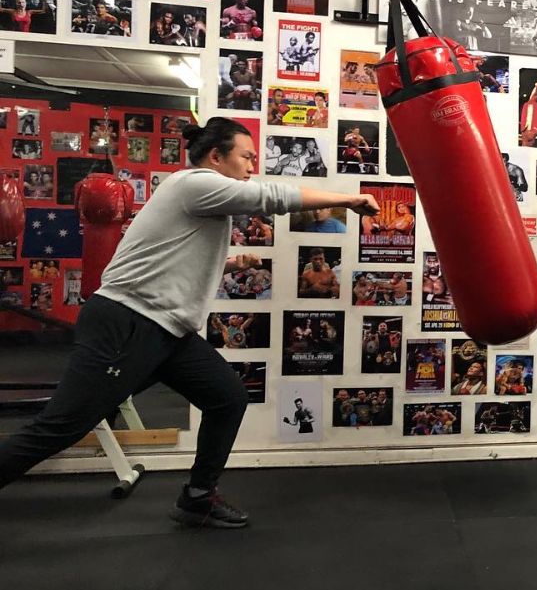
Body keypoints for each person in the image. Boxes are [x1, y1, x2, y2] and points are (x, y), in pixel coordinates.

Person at [0, 118, 379, 527]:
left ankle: (197, 497)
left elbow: (172, 262)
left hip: (167, 330)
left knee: (227, 397)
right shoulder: (193, 184)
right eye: (246, 157)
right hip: (129, 321)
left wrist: (231, 264)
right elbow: (270, 196)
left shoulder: (204, 200)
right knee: (61, 428)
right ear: (216, 157)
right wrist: (350, 199)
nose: (253, 166)